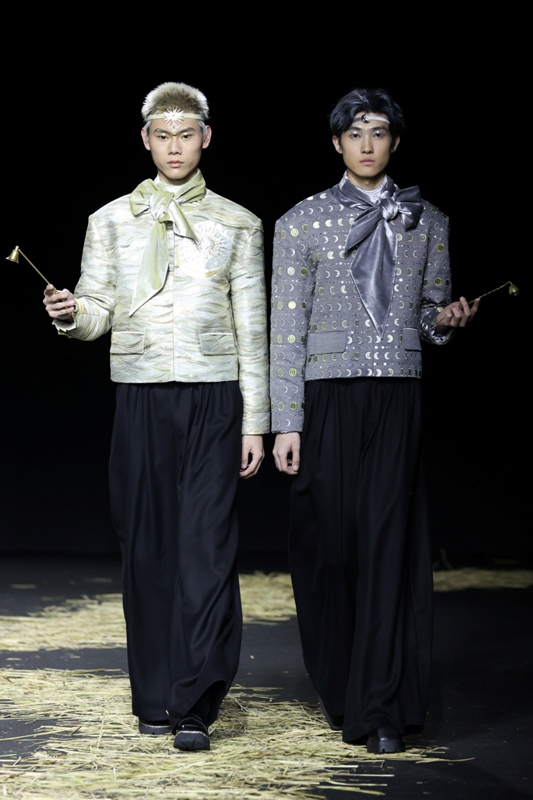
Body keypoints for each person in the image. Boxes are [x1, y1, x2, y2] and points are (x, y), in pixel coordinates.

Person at [43, 81, 269, 752]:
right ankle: (155, 696)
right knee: (146, 549)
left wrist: (255, 421)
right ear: (146, 140)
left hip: (213, 395)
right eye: (163, 135)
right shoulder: (110, 220)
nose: (175, 146)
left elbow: (252, 327)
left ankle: (196, 702)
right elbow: (98, 311)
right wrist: (70, 315)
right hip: (140, 395)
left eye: (186, 134)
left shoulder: (238, 223)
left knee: (207, 549)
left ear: (206, 138)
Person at [270, 88, 479, 753]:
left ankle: (382, 706)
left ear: (395, 142)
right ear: (336, 142)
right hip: (326, 396)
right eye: (355, 133)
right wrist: (286, 421)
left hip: (396, 395)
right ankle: (342, 685)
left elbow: (428, 316)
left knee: (389, 547)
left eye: (379, 132)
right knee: (330, 548)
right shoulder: (300, 222)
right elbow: (286, 331)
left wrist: (446, 321)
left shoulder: (429, 220)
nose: (366, 144)